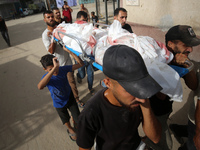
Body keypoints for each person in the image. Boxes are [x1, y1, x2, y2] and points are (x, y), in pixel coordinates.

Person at [76, 45, 162, 150]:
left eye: (141, 87)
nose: (142, 97)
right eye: (130, 90)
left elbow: (155, 138)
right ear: (108, 83)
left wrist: (146, 106)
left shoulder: (140, 97)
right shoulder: (91, 113)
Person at [144, 25, 200, 150]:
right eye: (186, 45)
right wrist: (170, 66)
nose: (190, 49)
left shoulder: (181, 56)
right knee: (164, 145)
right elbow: (161, 95)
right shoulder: (157, 58)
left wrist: (188, 65)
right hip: (153, 111)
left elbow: (194, 85)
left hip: (165, 110)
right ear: (170, 44)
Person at [37, 49, 84, 141]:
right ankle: (70, 129)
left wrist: (71, 52)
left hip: (69, 98)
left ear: (58, 64)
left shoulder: (62, 69)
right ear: (45, 70)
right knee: (65, 120)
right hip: (58, 103)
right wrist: (54, 69)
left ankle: (74, 120)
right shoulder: (46, 78)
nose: (55, 71)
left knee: (78, 118)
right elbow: (40, 87)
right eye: (51, 69)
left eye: (56, 67)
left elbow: (81, 64)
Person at [42, 10, 84, 108]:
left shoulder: (59, 29)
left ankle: (76, 100)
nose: (51, 18)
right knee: (62, 86)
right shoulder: (45, 35)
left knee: (71, 82)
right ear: (45, 20)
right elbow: (51, 51)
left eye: (52, 16)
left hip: (67, 61)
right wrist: (53, 38)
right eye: (48, 17)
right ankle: (64, 104)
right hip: (57, 65)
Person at [75, 11, 95, 95]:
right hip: (80, 57)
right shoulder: (74, 29)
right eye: (82, 20)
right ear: (77, 20)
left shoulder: (89, 28)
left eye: (86, 20)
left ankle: (90, 88)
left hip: (90, 56)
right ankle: (79, 76)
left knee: (90, 74)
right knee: (82, 74)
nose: (84, 23)